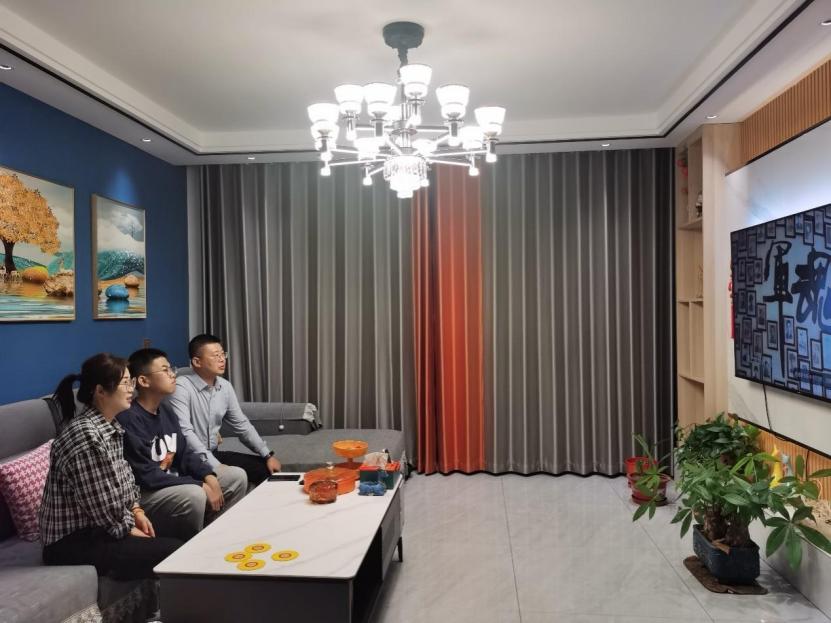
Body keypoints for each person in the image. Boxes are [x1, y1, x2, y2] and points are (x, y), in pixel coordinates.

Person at [39, 353, 182, 580]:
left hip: (100, 527)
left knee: (178, 532)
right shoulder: (86, 435)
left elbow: (125, 481)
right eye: (125, 383)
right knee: (173, 552)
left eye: (131, 382)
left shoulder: (110, 425)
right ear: (100, 391)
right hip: (72, 541)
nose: (131, 389)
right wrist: (129, 529)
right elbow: (100, 506)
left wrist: (136, 510)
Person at [117, 348, 248, 541]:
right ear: (143, 381)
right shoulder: (130, 418)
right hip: (146, 491)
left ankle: (215, 535)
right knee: (195, 494)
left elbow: (185, 453)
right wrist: (199, 484)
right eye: (165, 370)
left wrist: (208, 476)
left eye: (172, 369)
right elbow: (146, 476)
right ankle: (193, 545)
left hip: (172, 480)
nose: (173, 375)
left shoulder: (166, 410)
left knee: (236, 476)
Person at [168, 334, 281, 486]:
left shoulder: (225, 386)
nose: (222, 359)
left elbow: (241, 424)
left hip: (213, 453)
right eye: (215, 355)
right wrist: (217, 466)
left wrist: (267, 455)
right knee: (232, 475)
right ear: (197, 362)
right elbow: (186, 433)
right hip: (189, 460)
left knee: (266, 470)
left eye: (223, 354)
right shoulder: (181, 387)